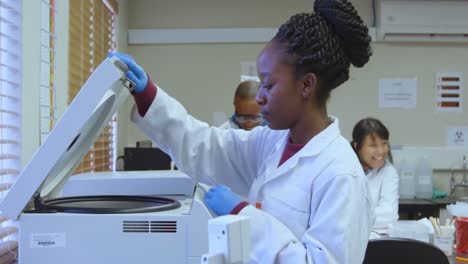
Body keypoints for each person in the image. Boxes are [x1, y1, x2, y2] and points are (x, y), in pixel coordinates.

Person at [111, 0, 373, 262]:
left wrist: (242, 213)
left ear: (307, 85)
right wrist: (147, 96)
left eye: (268, 85)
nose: (259, 97)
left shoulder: (339, 173)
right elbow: (208, 148)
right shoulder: (272, 142)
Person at [351, 117, 399, 237]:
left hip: (375, 240)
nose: (381, 151)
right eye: (373, 145)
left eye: (384, 144)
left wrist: (353, 216)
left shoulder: (388, 172)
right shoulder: (344, 170)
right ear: (357, 146)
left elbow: (390, 214)